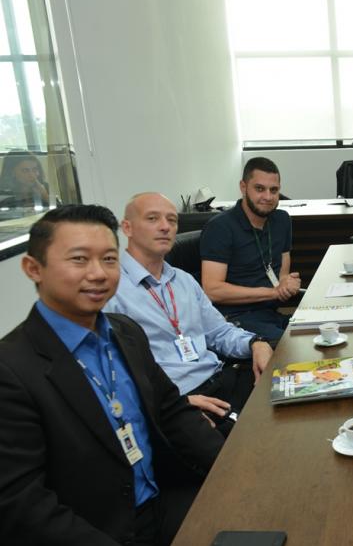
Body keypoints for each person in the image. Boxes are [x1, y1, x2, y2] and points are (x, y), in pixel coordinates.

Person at [0, 205, 224, 545]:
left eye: (108, 259)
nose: (99, 274)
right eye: (79, 259)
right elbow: (22, 503)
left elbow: (173, 412)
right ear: (34, 268)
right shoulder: (11, 369)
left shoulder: (126, 332)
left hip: (161, 502)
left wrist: (234, 471)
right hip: (97, 529)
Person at [105, 192, 273, 435]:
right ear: (127, 228)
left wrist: (256, 342)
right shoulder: (111, 290)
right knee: (250, 448)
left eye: (171, 220)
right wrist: (175, 405)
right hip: (180, 401)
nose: (165, 227)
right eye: (153, 219)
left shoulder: (182, 280)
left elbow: (219, 332)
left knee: (292, 400)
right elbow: (116, 376)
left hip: (220, 378)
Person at [200, 157, 300, 343]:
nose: (268, 197)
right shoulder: (220, 227)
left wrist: (288, 283)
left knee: (318, 335)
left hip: (271, 314)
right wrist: (273, 292)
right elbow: (212, 290)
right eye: (259, 189)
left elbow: (282, 273)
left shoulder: (282, 220)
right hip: (235, 320)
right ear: (243, 187)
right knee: (292, 348)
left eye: (274, 190)